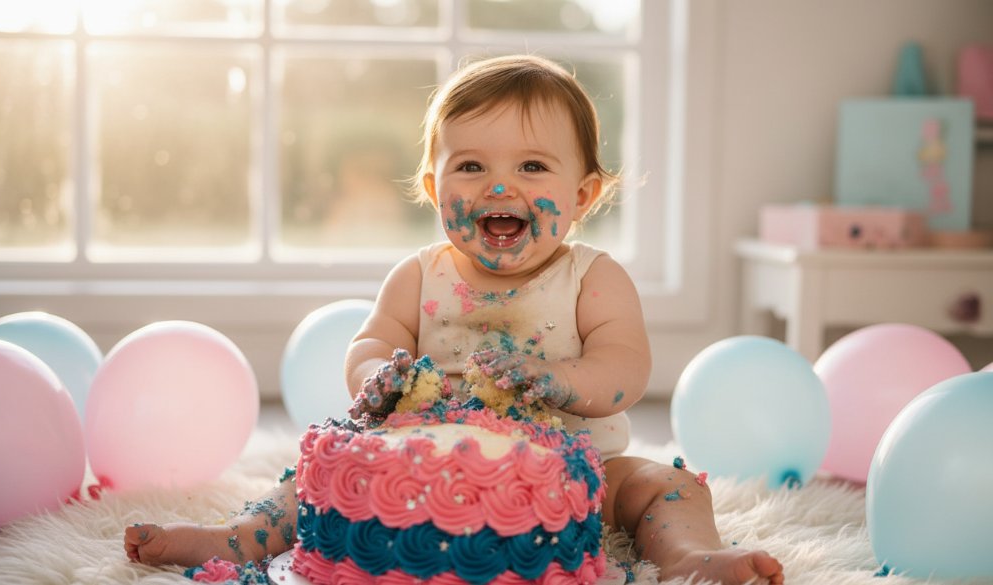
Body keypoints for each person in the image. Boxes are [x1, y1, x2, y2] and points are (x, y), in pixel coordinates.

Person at [125, 54, 784, 585]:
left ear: (581, 196)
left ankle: (686, 556)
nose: (499, 187)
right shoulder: (421, 274)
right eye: (470, 166)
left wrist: (555, 378)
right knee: (320, 476)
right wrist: (378, 373)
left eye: (531, 166)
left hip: (577, 471)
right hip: (421, 461)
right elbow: (372, 340)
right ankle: (234, 538)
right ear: (437, 189)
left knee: (664, 485)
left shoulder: (591, 277)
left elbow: (626, 370)